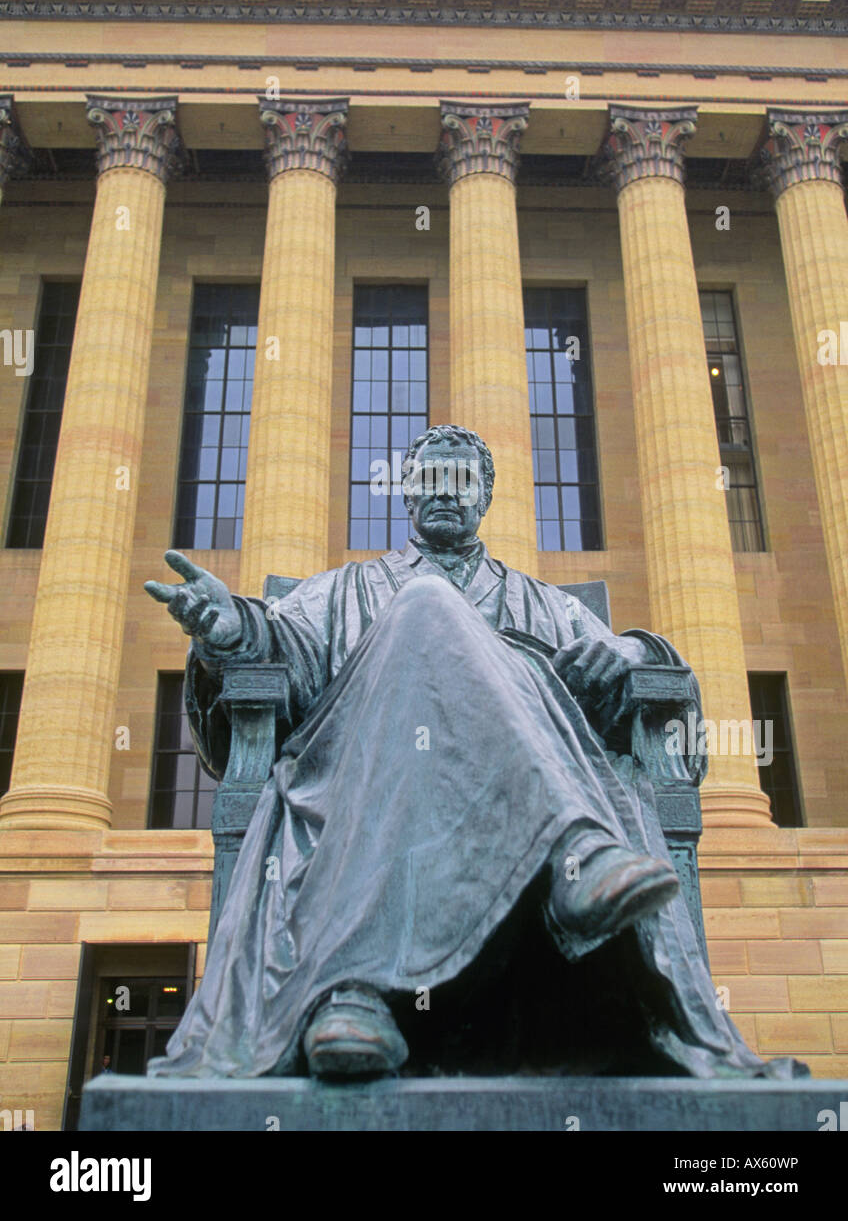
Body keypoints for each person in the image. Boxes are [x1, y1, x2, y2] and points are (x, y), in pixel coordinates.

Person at [144, 424, 804, 1080]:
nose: (445, 493)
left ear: (485, 497)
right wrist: (232, 632)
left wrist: (632, 654)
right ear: (405, 496)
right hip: (369, 797)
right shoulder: (345, 593)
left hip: (497, 829)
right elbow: (282, 642)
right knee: (427, 601)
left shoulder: (546, 606)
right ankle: (575, 856)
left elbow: (666, 698)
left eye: (461, 480)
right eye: (428, 479)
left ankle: (354, 994)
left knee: (437, 607)